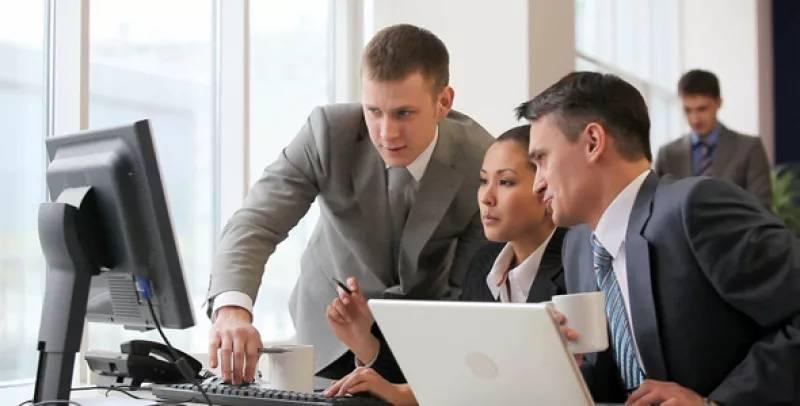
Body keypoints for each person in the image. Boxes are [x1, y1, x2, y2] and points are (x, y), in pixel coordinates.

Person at [205, 24, 495, 385]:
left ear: (443, 102)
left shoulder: (482, 162)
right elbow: (257, 221)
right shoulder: (327, 133)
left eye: (404, 113)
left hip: (422, 342)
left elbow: (469, 293)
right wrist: (232, 309)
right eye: (374, 111)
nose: (386, 133)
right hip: (327, 337)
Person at [517, 71, 800, 405]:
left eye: (541, 160)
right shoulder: (577, 246)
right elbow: (609, 381)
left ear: (593, 142)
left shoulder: (695, 207)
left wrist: (714, 404)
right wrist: (565, 368)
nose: (537, 185)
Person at [322, 125, 568, 405]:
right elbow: (461, 380)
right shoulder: (484, 265)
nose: (486, 197)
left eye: (506, 182)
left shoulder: (578, 264)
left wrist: (403, 395)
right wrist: (365, 340)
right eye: (483, 181)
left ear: (546, 186)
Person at [654, 69, 772, 208]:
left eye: (702, 109)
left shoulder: (749, 149)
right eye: (687, 110)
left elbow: (761, 209)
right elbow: (656, 208)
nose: (695, 119)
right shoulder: (667, 155)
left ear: (719, 103)